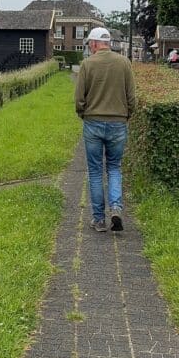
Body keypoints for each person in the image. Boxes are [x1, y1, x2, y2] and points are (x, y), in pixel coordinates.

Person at [75, 27, 137, 232]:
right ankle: (116, 208)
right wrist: (126, 114)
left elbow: (79, 98)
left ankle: (99, 220)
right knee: (114, 167)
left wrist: (83, 113)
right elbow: (131, 97)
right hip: (118, 122)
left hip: (93, 122)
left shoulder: (87, 64)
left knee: (94, 171)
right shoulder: (124, 63)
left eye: (89, 45)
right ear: (108, 43)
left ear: (93, 44)